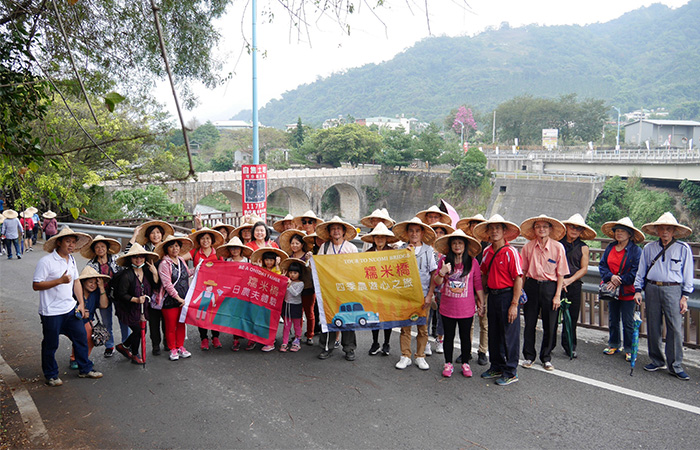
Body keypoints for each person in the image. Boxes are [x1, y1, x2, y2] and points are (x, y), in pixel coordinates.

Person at [32, 226, 102, 386]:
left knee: (81, 338)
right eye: (67, 241)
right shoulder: (46, 262)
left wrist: (81, 303)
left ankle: (85, 368)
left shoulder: (71, 260)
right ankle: (51, 375)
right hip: (51, 312)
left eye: (73, 242)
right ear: (59, 243)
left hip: (70, 309)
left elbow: (76, 281)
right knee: (51, 344)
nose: (71, 245)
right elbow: (36, 285)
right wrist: (58, 281)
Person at [634, 212, 694, 381]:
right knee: (653, 325)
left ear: (674, 231)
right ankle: (656, 360)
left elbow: (688, 273)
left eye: (668, 229)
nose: (665, 232)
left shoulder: (683, 248)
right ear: (657, 231)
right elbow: (641, 270)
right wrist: (638, 289)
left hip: (673, 290)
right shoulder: (649, 248)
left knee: (674, 327)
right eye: (662, 229)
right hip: (652, 288)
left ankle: (675, 365)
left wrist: (685, 297)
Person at [473, 214, 524, 386]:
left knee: (509, 335)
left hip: (507, 296)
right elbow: (484, 274)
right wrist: (482, 298)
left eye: (498, 228)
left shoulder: (511, 253)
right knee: (494, 333)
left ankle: (511, 371)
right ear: (487, 232)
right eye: (491, 228)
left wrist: (514, 304)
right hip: (493, 296)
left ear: (504, 231)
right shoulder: (487, 252)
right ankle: (496, 366)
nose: (494, 231)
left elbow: (518, 278)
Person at [519, 214, 569, 371]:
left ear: (550, 229)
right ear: (534, 229)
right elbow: (524, 271)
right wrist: (520, 291)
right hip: (532, 286)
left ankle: (546, 357)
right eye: (538, 227)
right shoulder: (528, 247)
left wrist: (557, 296)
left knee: (550, 324)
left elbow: (561, 273)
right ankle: (528, 356)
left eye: (545, 227)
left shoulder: (558, 247)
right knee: (529, 323)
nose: (541, 229)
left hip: (550, 287)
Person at [432, 230, 484, 378]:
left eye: (460, 243)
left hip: (466, 308)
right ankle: (448, 363)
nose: (457, 245)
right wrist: (442, 272)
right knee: (448, 336)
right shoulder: (444, 261)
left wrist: (481, 303)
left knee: (465, 336)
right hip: (447, 307)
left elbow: (478, 284)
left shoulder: (472, 262)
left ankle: (465, 363)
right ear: (450, 245)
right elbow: (437, 281)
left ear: (465, 245)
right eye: (454, 243)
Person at [393, 217, 437, 370]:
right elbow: (395, 274)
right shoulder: (401, 250)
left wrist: (429, 295)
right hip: (406, 295)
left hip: (423, 295)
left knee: (422, 328)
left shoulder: (428, 251)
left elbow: (433, 274)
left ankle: (420, 356)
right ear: (407, 233)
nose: (414, 234)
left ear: (422, 233)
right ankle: (405, 355)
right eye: (411, 231)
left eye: (417, 231)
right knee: (405, 327)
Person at [315, 216, 359, 361]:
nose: (336, 231)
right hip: (329, 289)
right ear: (329, 232)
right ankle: (327, 347)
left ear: (344, 231)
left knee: (348, 318)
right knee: (329, 317)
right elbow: (319, 267)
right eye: (333, 228)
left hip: (347, 289)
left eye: (338, 228)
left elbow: (356, 269)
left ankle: (349, 348)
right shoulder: (325, 247)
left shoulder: (351, 248)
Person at [599, 217, 643, 361]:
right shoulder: (610, 247)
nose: (619, 233)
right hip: (612, 289)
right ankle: (614, 344)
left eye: (622, 231)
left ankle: (629, 348)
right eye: (617, 231)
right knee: (613, 318)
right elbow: (602, 266)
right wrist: (611, 277)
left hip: (628, 290)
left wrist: (620, 280)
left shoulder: (636, 251)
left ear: (629, 234)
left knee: (628, 321)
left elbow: (636, 271)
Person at [83, 235, 130, 358]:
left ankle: (127, 343)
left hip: (118, 294)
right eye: (97, 247)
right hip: (102, 294)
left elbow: (126, 270)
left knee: (123, 319)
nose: (100, 249)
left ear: (107, 248)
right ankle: (109, 345)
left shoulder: (116, 259)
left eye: (102, 246)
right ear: (94, 250)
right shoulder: (91, 265)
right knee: (106, 321)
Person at [113, 243, 160, 365]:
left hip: (142, 308)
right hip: (128, 308)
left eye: (141, 257)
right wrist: (136, 299)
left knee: (141, 330)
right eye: (135, 257)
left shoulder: (147, 271)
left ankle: (124, 346)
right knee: (139, 330)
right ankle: (135, 354)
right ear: (130, 259)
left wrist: (155, 273)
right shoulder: (126, 275)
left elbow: (155, 287)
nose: (138, 259)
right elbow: (121, 294)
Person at [559, 214, 596, 359]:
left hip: (573, 285)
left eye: (578, 228)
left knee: (572, 317)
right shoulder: (557, 243)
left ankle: (570, 346)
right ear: (566, 227)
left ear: (581, 231)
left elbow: (584, 268)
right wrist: (560, 281)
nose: (574, 230)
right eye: (572, 227)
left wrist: (569, 281)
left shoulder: (583, 248)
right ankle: (548, 348)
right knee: (553, 316)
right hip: (556, 283)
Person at [455, 213, 489, 366]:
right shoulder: (467, 245)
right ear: (469, 227)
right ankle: (466, 352)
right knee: (468, 322)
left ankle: (482, 351)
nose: (475, 226)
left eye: (478, 223)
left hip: (484, 288)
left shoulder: (489, 246)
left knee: (484, 322)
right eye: (472, 223)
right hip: (467, 289)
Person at [155, 235, 195, 361]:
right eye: (171, 246)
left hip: (183, 298)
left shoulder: (181, 260)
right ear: (167, 249)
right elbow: (167, 285)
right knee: (171, 326)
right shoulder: (164, 264)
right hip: (170, 300)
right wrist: (178, 299)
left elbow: (187, 274)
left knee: (181, 324)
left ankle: (180, 346)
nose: (174, 249)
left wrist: (199, 268)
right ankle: (172, 348)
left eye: (176, 246)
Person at [361, 222, 399, 356]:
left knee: (387, 317)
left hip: (388, 291)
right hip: (373, 291)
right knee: (374, 317)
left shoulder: (393, 253)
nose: (380, 239)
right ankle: (375, 342)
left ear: (387, 238)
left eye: (383, 237)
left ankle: (386, 343)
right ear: (373, 239)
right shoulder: (368, 253)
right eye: (377, 237)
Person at [185, 228, 225, 351]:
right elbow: (179, 258)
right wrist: (189, 271)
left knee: (215, 312)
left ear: (212, 240)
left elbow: (225, 270)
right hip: (200, 288)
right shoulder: (195, 252)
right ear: (199, 240)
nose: (205, 241)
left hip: (216, 287)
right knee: (201, 313)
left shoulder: (218, 253)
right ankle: (204, 338)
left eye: (208, 238)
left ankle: (215, 337)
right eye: (202, 238)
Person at [216, 236, 253, 351]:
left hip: (246, 293)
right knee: (235, 318)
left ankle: (250, 339)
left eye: (237, 248)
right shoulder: (227, 261)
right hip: (232, 294)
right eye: (232, 248)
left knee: (247, 316)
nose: (235, 250)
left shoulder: (247, 261)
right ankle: (236, 340)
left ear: (241, 249)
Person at [279, 229, 316, 345]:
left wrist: (310, 261)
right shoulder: (289, 257)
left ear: (302, 244)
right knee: (297, 314)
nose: (294, 245)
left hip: (307, 288)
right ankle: (297, 335)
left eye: (297, 243)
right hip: (293, 290)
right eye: (292, 243)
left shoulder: (308, 256)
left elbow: (313, 271)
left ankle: (310, 335)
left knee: (309, 313)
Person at [69, 266, 110, 369]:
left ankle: (81, 358)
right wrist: (79, 312)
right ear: (83, 282)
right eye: (90, 282)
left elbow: (104, 305)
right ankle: (76, 358)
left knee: (90, 337)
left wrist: (101, 288)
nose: (93, 285)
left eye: (95, 283)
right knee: (82, 335)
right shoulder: (75, 293)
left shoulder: (95, 294)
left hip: (88, 321)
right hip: (73, 320)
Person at [250, 246, 289, 351]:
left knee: (271, 320)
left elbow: (279, 279)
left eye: (271, 260)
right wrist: (258, 267)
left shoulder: (277, 269)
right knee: (262, 319)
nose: (268, 262)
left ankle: (270, 342)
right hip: (262, 299)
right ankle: (263, 338)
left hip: (273, 300)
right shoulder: (262, 269)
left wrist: (277, 265)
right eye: (266, 260)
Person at [428, 222, 455, 354]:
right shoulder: (427, 249)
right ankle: (426, 341)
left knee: (441, 317)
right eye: (436, 232)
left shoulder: (446, 253)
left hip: (443, 289)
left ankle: (439, 340)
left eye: (441, 233)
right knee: (427, 316)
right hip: (428, 287)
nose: (438, 235)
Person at [279, 258, 306, 352]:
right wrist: (282, 279)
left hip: (296, 306)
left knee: (297, 325)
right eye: (290, 273)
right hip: (287, 305)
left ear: (299, 274)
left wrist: (289, 285)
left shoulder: (301, 283)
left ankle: (297, 340)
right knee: (286, 325)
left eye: (295, 273)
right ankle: (285, 342)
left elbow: (295, 294)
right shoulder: (287, 281)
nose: (292, 275)